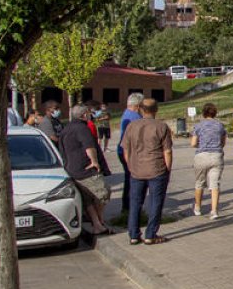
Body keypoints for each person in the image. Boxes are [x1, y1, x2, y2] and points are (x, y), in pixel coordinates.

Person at [120, 98, 173, 245]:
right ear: (156, 110)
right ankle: (150, 234)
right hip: (156, 168)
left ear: (140, 109)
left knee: (135, 202)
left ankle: (133, 234)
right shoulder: (161, 126)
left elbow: (125, 149)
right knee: (155, 202)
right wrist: (167, 168)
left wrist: (130, 165)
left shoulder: (131, 126)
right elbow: (167, 151)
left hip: (136, 169)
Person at [58, 105, 112, 235]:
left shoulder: (67, 128)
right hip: (85, 169)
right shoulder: (82, 128)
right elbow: (89, 146)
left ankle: (97, 225)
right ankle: (99, 220)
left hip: (71, 169)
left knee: (88, 199)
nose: (90, 115)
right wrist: (94, 161)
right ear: (84, 115)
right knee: (103, 193)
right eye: (88, 113)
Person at [191, 103, 226, 219]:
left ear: (203, 113)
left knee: (199, 182)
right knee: (215, 184)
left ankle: (197, 207)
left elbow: (193, 143)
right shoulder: (220, 126)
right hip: (216, 156)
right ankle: (214, 211)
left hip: (201, 156)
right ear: (215, 113)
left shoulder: (198, 126)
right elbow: (223, 143)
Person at [117, 93, 144, 214]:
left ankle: (127, 207)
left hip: (122, 150)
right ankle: (131, 207)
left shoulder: (126, 113)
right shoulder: (135, 117)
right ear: (137, 105)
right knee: (134, 180)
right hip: (131, 152)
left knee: (129, 179)